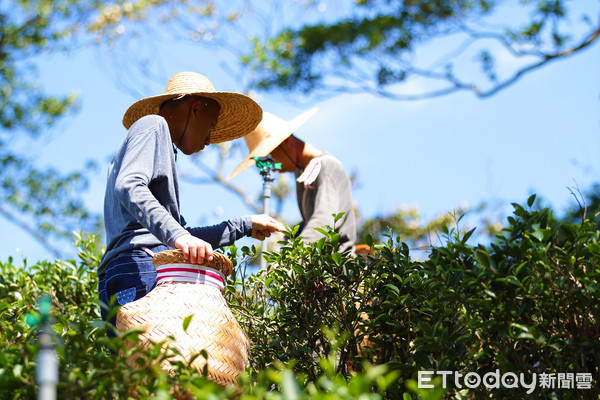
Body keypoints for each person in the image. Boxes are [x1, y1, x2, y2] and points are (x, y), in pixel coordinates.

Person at [98, 72, 285, 323]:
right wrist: (179, 236)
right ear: (195, 109)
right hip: (140, 266)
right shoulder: (153, 124)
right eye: (211, 127)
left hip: (127, 268)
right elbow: (129, 185)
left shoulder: (160, 142)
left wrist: (243, 226)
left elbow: (182, 234)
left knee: (135, 361)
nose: (209, 140)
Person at [227, 108, 357, 254]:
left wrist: (290, 260)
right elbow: (310, 222)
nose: (271, 167)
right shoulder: (304, 171)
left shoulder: (326, 166)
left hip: (338, 265)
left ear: (286, 141)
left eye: (270, 158)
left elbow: (324, 221)